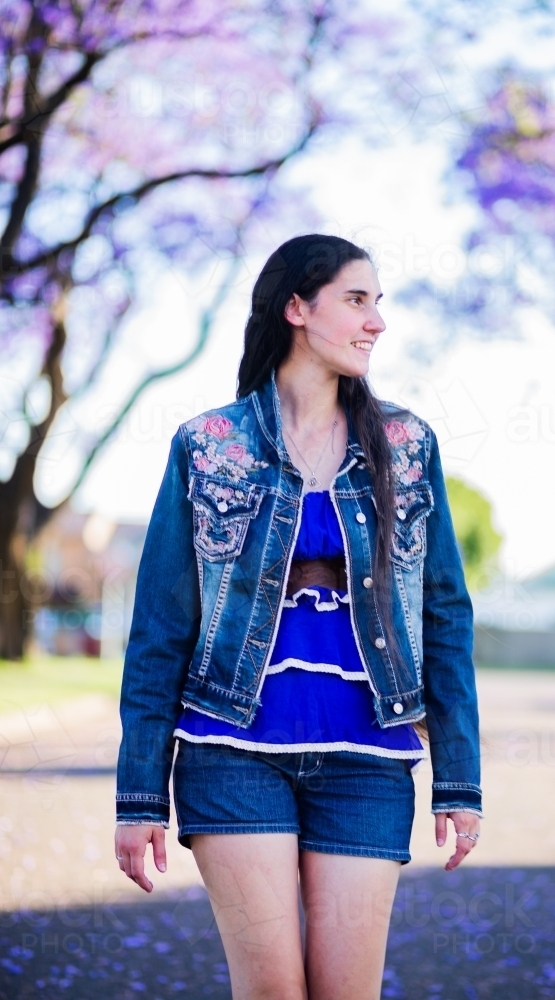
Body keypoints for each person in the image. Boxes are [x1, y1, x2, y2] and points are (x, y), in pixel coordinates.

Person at [114, 234, 482, 1000]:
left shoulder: (407, 447)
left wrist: (459, 779)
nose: (376, 321)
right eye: (357, 299)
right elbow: (160, 627)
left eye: (378, 302)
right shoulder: (209, 447)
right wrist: (139, 795)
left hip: (368, 758)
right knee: (274, 991)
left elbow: (443, 611)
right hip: (230, 749)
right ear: (295, 308)